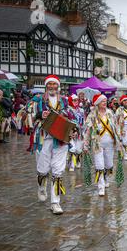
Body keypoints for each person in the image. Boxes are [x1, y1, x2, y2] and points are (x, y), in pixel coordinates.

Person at [31, 75, 74, 215]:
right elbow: (26, 115)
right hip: (44, 139)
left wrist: (72, 130)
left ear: (58, 86)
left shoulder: (64, 101)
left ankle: (55, 203)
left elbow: (72, 116)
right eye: (49, 84)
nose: (52, 87)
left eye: (54, 85)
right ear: (46, 86)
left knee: (58, 171)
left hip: (61, 139)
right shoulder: (38, 99)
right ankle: (41, 186)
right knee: (42, 170)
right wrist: (39, 114)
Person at [84, 94, 122, 196]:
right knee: (99, 165)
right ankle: (101, 186)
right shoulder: (92, 115)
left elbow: (116, 127)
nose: (105, 103)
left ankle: (105, 177)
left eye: (105, 101)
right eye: (102, 101)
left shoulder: (110, 113)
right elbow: (87, 131)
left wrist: (119, 141)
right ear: (97, 103)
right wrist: (85, 145)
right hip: (97, 144)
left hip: (110, 143)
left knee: (109, 165)